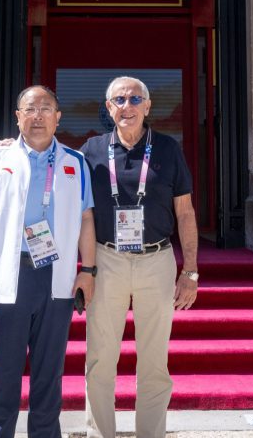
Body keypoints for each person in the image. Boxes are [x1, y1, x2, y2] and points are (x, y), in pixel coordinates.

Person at [0, 85, 98, 438]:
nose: (38, 115)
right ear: (18, 117)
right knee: (4, 376)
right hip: (9, 277)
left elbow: (85, 219)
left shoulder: (75, 162)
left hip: (58, 278)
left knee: (48, 376)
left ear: (58, 117)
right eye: (30, 109)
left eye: (46, 108)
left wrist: (88, 270)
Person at [80, 76, 199, 438]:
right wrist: (12, 146)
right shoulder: (92, 150)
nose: (127, 106)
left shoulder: (167, 149)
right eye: (119, 99)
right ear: (108, 107)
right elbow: (57, 173)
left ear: (147, 107)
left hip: (156, 259)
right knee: (100, 358)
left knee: (153, 361)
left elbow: (185, 213)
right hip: (108, 258)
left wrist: (190, 272)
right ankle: (101, 433)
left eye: (135, 99)